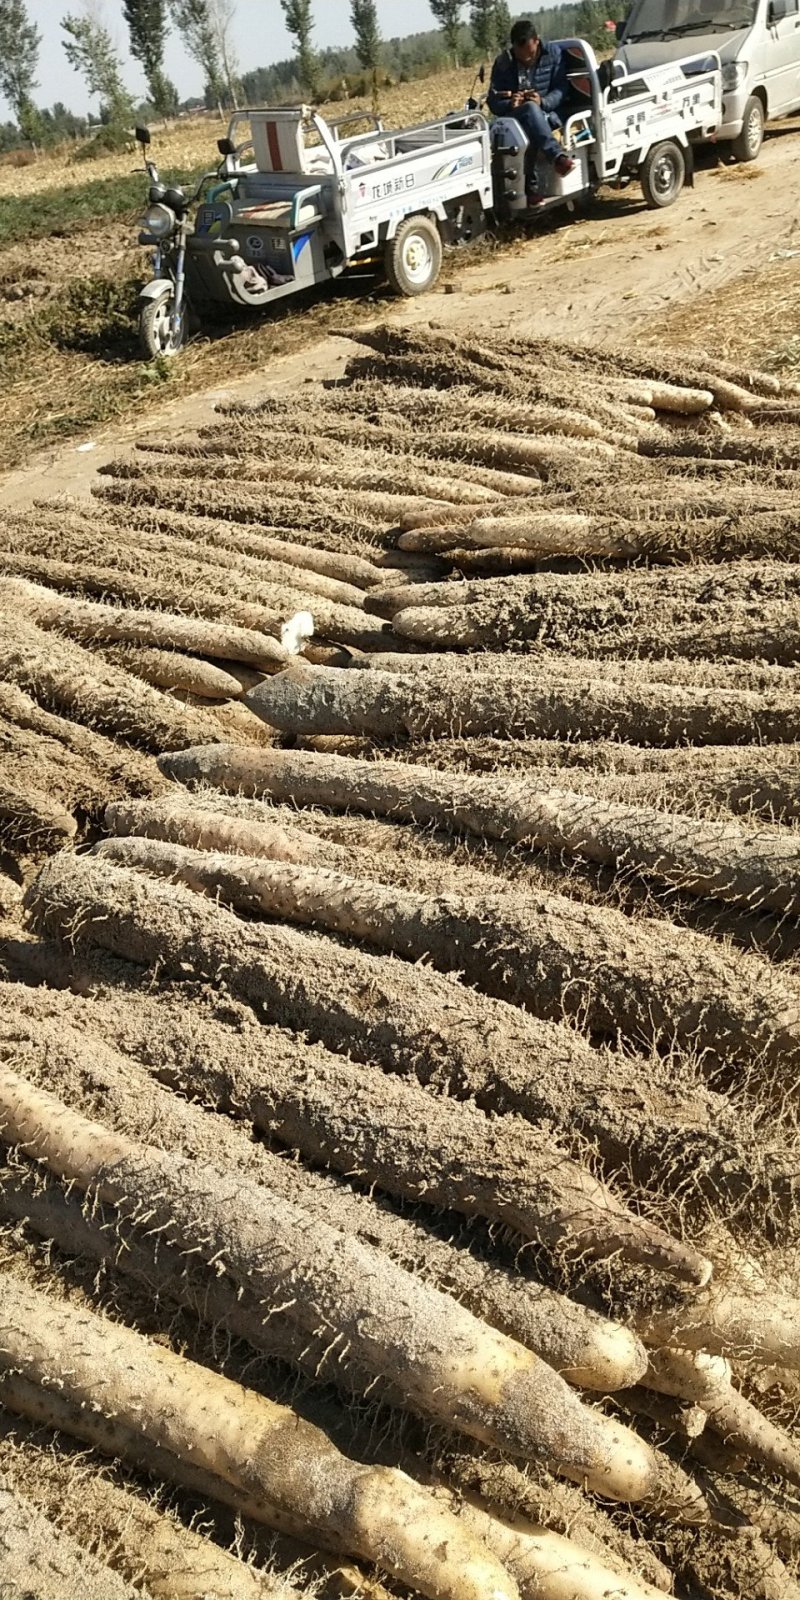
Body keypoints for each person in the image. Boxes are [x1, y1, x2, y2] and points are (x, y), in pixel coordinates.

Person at [487, 18, 576, 202]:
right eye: (521, 57)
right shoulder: (504, 63)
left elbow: (561, 89)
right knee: (528, 113)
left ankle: (530, 189)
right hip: (517, 115)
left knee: (531, 124)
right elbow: (494, 101)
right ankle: (557, 158)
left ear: (536, 40)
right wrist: (510, 104)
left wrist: (542, 101)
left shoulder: (553, 54)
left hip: (550, 112)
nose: (526, 60)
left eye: (530, 55)